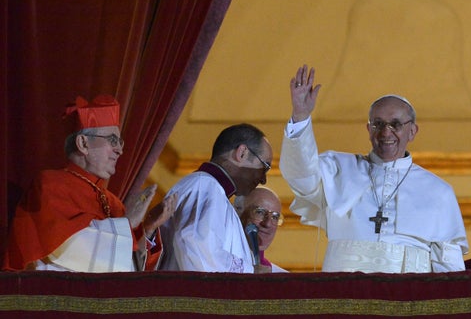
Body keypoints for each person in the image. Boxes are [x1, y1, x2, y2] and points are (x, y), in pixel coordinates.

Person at [279, 64, 468, 273]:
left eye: (395, 124)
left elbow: (449, 267)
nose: (386, 133)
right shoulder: (338, 170)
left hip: (409, 299)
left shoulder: (438, 191)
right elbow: (301, 176)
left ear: (412, 131)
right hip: (344, 295)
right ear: (369, 130)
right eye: (378, 124)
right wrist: (300, 117)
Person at [4, 95, 176, 272]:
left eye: (120, 142)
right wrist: (127, 223)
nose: (120, 150)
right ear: (83, 143)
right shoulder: (50, 185)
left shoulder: (114, 202)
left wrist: (147, 228)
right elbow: (67, 249)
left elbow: (128, 271)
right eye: (112, 140)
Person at [159, 123, 273, 273]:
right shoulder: (204, 185)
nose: (263, 179)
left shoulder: (214, 191)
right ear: (242, 153)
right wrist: (250, 271)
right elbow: (196, 247)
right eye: (264, 167)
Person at [236, 186, 288, 273]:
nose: (267, 224)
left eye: (275, 217)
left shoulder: (282, 278)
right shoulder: (218, 261)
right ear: (237, 213)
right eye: (259, 212)